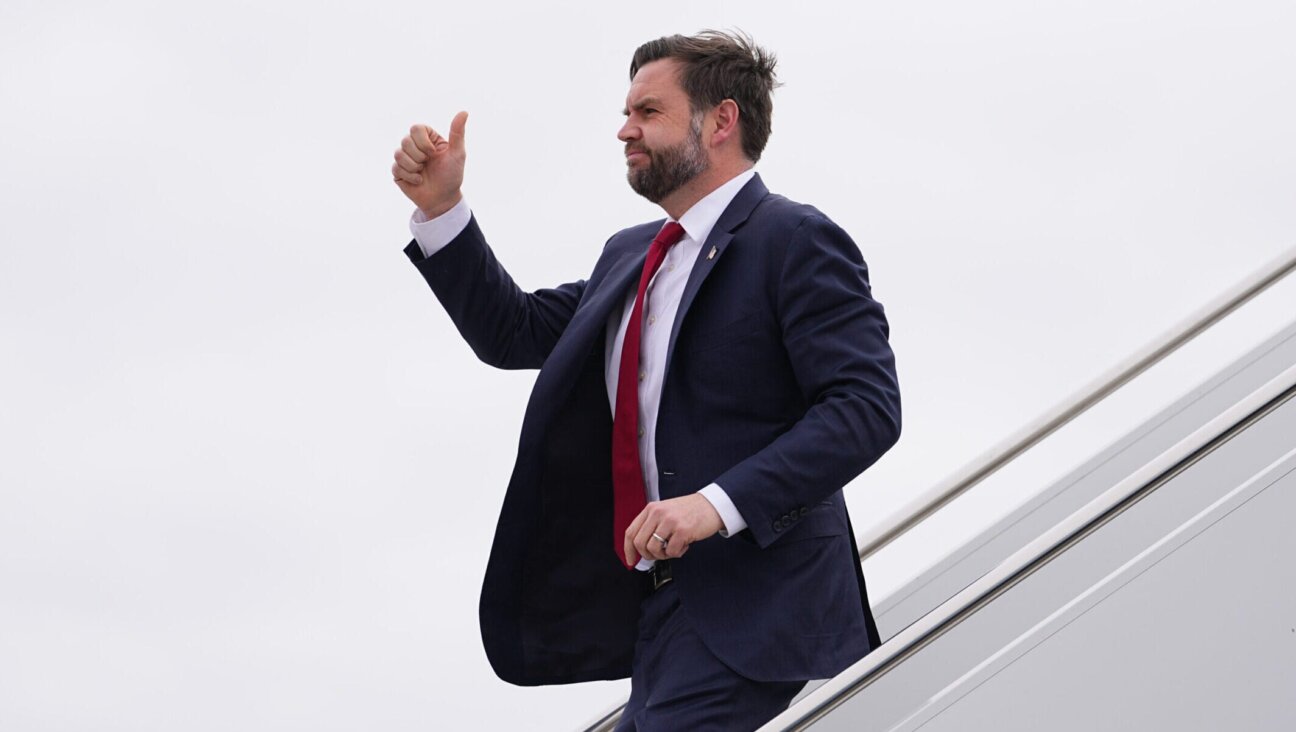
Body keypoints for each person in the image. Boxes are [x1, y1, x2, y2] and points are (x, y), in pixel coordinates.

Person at [391, 30, 901, 731]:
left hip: (760, 614)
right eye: (628, 111)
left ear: (722, 121)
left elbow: (865, 409)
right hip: (657, 617)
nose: (624, 129)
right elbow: (512, 332)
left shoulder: (793, 239)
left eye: (648, 112)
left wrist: (715, 504)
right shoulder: (631, 258)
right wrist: (443, 211)